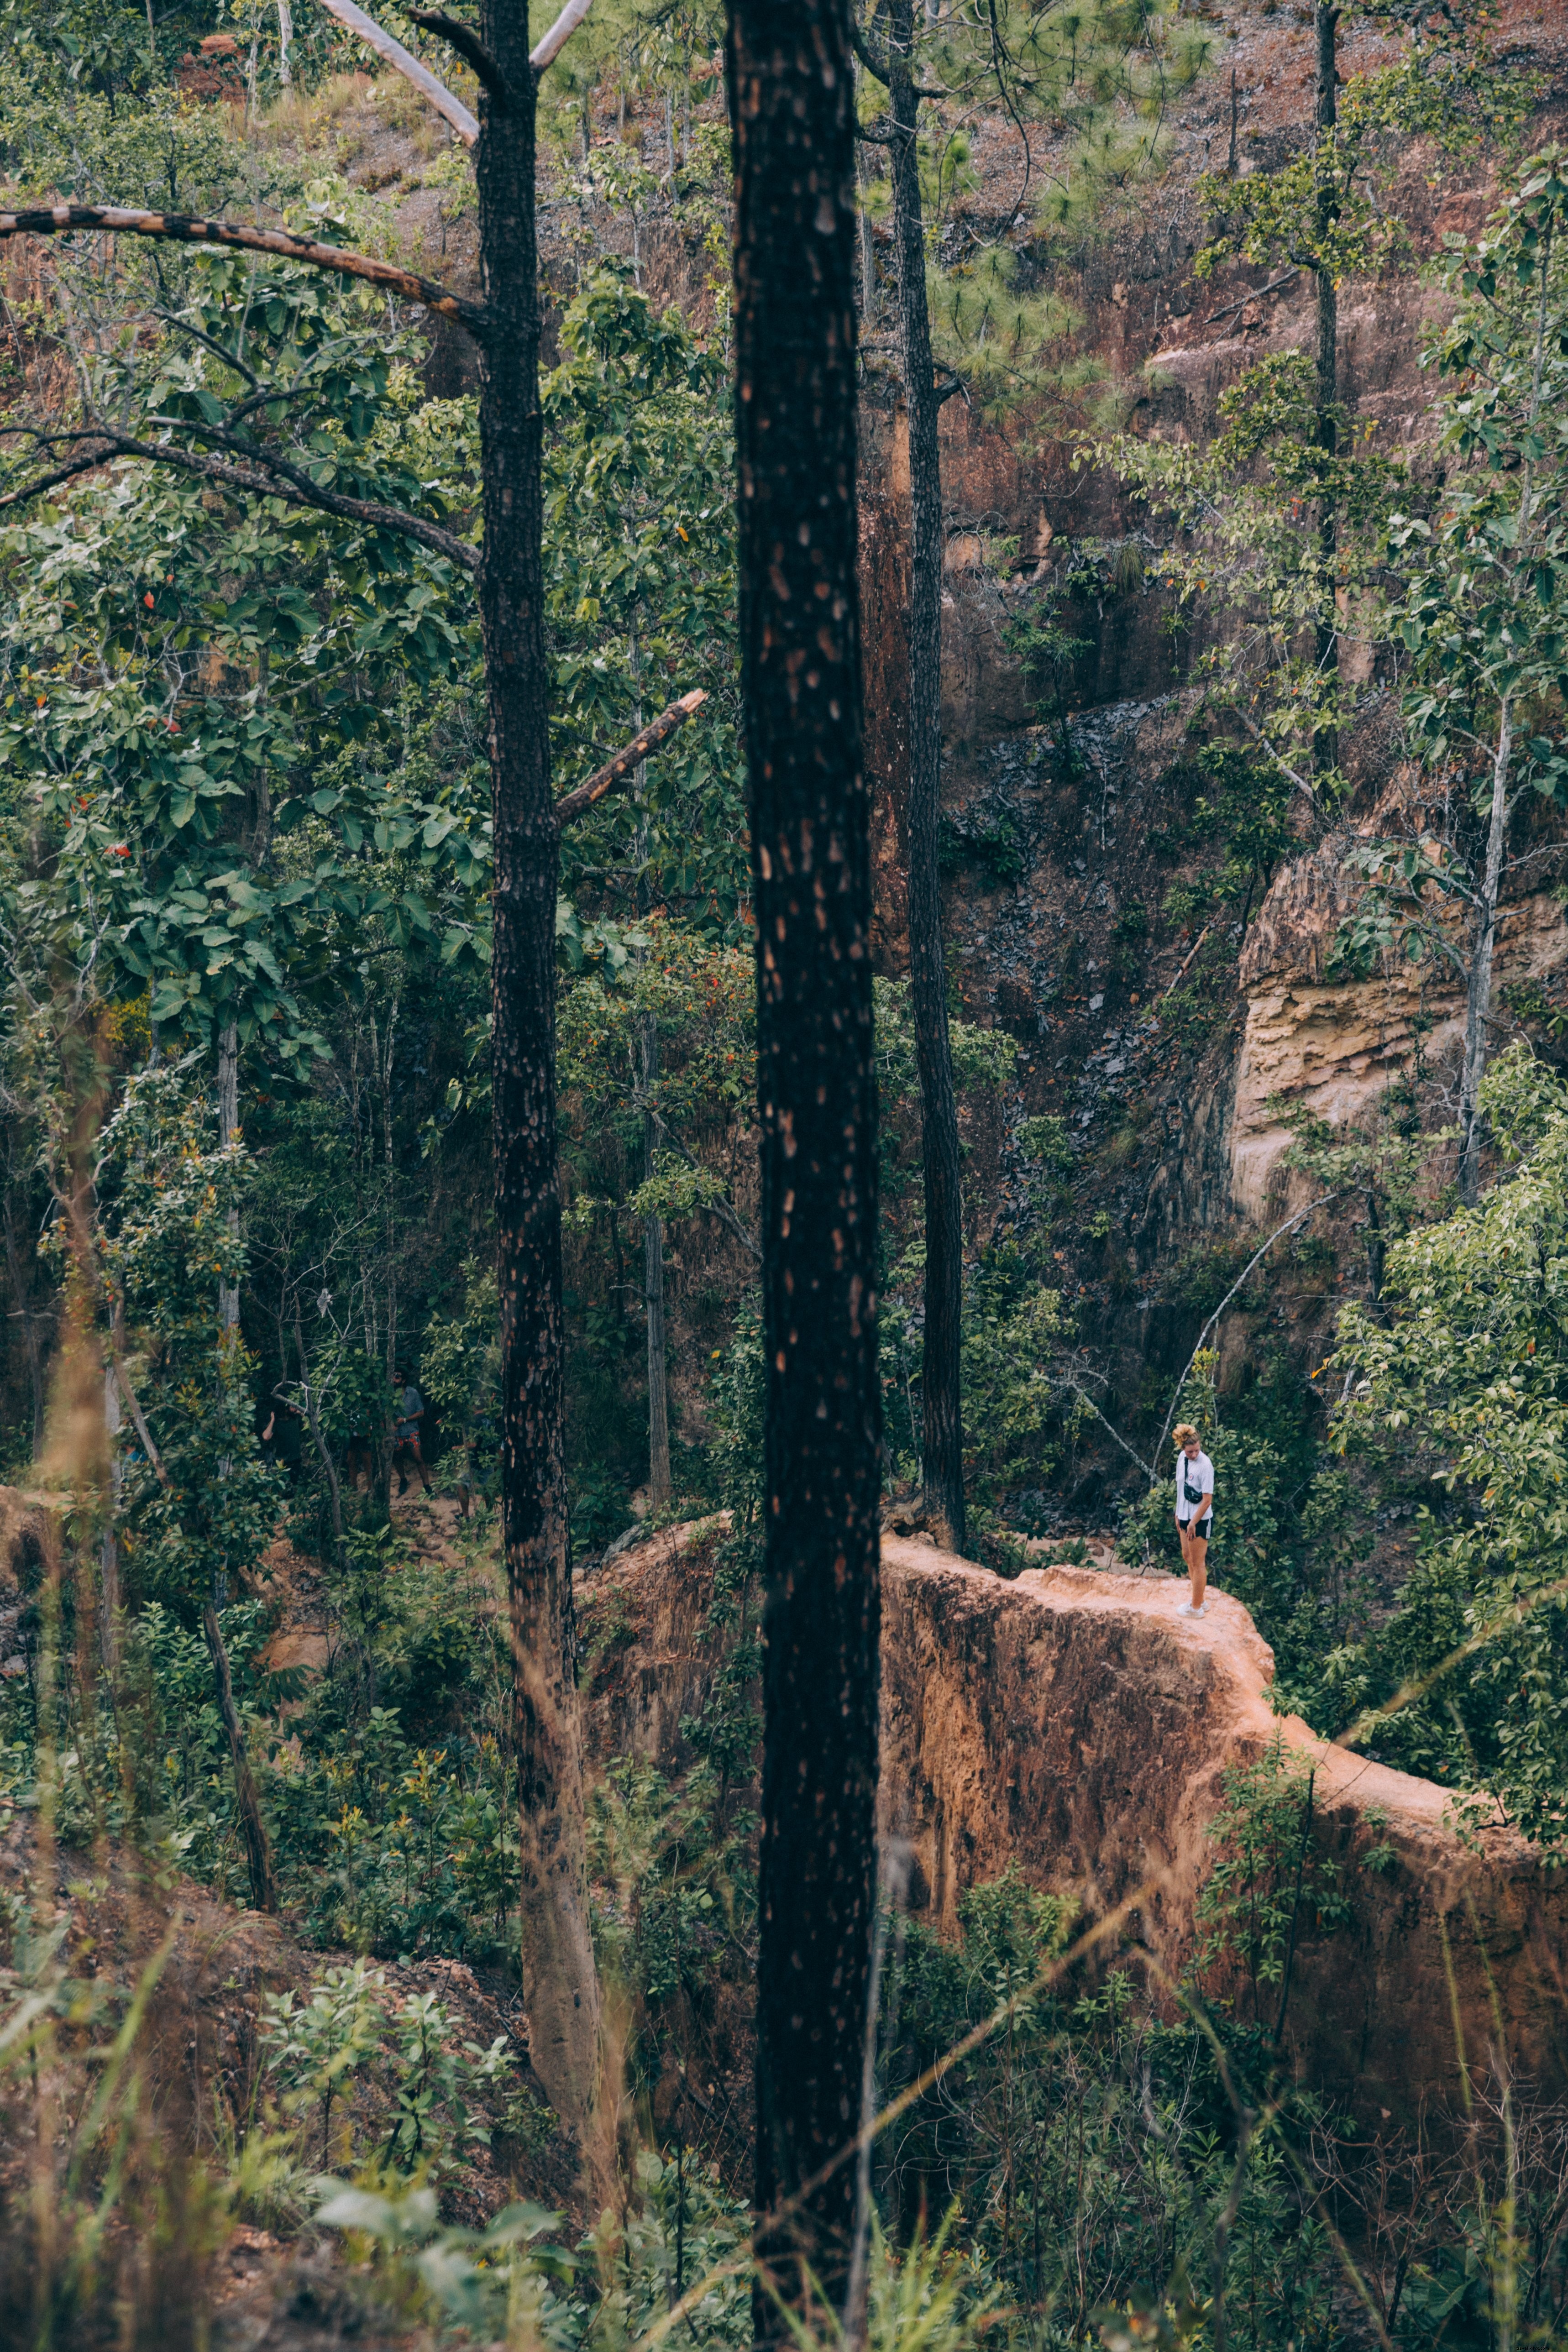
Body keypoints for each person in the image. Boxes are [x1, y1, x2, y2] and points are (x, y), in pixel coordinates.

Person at [1172, 1422, 1215, 1618]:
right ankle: (1199, 1598)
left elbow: (1207, 1500)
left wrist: (1193, 1523)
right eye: (1190, 1452)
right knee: (1187, 1557)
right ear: (1183, 1449)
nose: (1194, 1455)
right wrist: (1178, 1513)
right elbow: (1181, 1488)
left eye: (1197, 1450)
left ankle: (1196, 1608)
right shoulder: (1182, 1459)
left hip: (1199, 1520)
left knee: (1198, 1563)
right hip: (1184, 1515)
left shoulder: (1205, 1465)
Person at [392, 1367, 429, 1496]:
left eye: (398, 1376)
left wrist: (405, 1420)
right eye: (393, 1376)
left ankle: (427, 1486)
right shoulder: (389, 1395)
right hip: (396, 1434)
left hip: (411, 1431)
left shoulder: (412, 1393)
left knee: (419, 1458)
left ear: (404, 1380)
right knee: (397, 1458)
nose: (394, 1379)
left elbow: (421, 1412)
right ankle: (403, 1480)